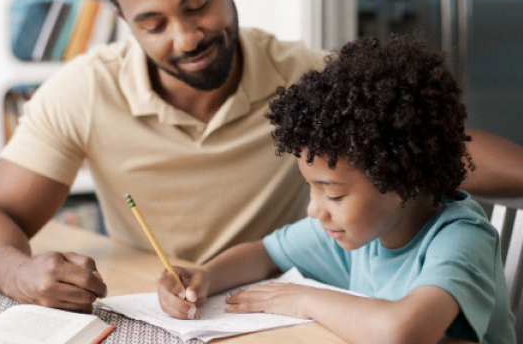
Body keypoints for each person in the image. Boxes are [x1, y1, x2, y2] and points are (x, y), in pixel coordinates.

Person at [0, 0, 523, 313]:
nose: (185, 38)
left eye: (197, 3)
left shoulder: (304, 78)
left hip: (268, 310)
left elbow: (433, 146)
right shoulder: (82, 90)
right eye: (152, 24)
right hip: (162, 309)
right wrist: (21, 274)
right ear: (122, 22)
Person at [156, 35, 515, 344]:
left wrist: (303, 300)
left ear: (404, 177)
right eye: (311, 189)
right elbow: (264, 254)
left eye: (334, 194)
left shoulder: (460, 238)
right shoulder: (363, 230)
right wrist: (205, 275)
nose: (316, 209)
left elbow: (405, 333)